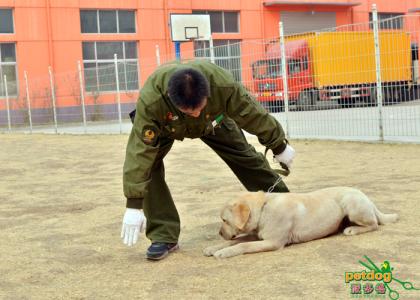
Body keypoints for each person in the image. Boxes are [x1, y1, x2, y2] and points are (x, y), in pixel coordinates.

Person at [121, 60, 295, 260]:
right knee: (149, 167)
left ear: (208, 94)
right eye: (189, 111)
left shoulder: (223, 86)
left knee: (246, 157)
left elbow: (252, 114)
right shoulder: (152, 101)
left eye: (199, 107)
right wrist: (134, 204)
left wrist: (279, 145)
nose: (195, 113)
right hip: (166, 127)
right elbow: (140, 152)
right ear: (171, 98)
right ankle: (163, 234)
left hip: (214, 121)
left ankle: (286, 207)